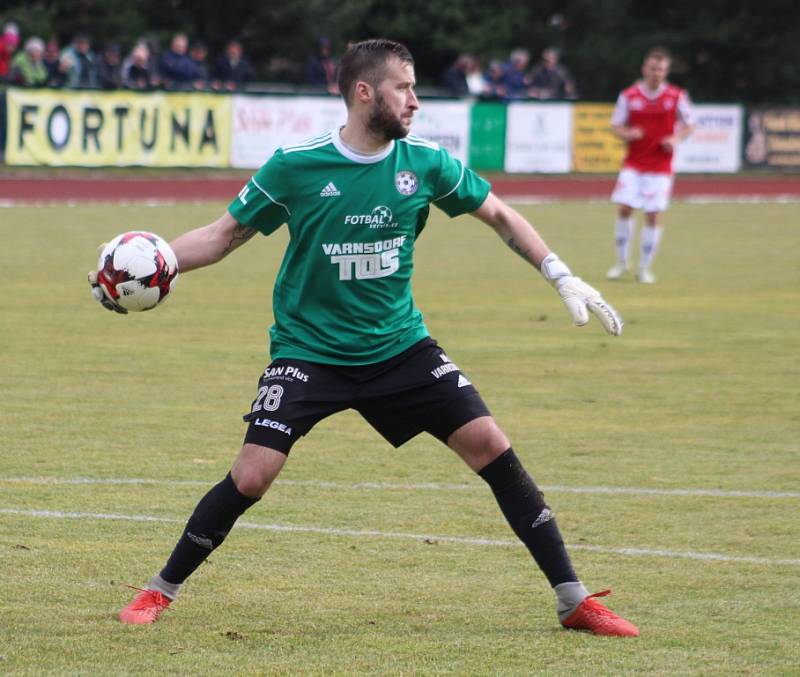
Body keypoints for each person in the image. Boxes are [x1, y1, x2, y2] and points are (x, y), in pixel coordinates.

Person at [92, 38, 637, 637]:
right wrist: (153, 262)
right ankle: (158, 591)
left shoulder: (425, 163)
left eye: (414, 89)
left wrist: (559, 273)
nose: (415, 102)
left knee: (491, 445)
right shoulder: (296, 165)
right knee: (252, 475)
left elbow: (501, 215)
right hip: (308, 352)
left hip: (399, 346)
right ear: (364, 91)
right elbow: (222, 237)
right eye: (403, 88)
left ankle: (573, 600)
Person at [607, 47, 694, 283]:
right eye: (653, 69)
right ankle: (621, 263)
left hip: (661, 167)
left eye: (662, 70)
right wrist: (628, 133)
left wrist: (675, 139)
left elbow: (689, 125)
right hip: (634, 164)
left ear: (666, 72)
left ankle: (644, 268)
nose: (657, 73)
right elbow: (615, 126)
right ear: (645, 69)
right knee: (625, 208)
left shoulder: (676, 96)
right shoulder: (629, 95)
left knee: (653, 214)